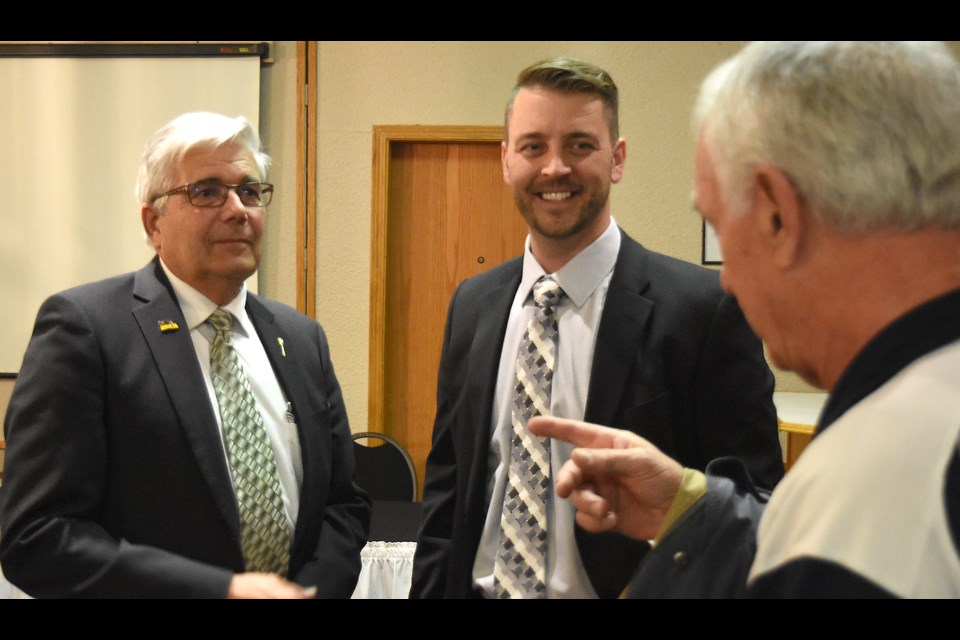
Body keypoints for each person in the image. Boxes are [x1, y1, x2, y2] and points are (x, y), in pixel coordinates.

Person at [530, 41, 960, 598]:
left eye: (720, 225)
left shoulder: (880, 481)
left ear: (779, 214)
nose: (728, 278)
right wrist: (689, 504)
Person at [409, 57, 785, 599]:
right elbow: (447, 492)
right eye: (533, 146)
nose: (555, 167)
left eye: (580, 145)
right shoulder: (473, 305)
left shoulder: (703, 312)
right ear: (506, 160)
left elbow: (757, 503)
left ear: (618, 158)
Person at [0, 112, 371, 598]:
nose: (238, 209)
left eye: (250, 191)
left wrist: (310, 592)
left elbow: (342, 506)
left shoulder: (302, 340)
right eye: (207, 191)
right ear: (154, 222)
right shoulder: (85, 329)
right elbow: (37, 535)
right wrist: (222, 591)